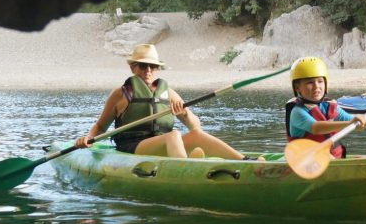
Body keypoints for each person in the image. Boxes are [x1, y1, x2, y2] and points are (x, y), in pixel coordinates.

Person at [75, 43, 254, 160]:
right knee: (174, 135)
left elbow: (194, 125)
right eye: (143, 66)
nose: (148, 70)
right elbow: (100, 127)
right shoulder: (120, 94)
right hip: (132, 146)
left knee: (196, 135)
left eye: (152, 66)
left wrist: (184, 113)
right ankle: (187, 168)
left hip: (164, 143)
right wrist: (89, 139)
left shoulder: (168, 93)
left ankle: (245, 161)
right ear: (132, 67)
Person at [285, 56, 366, 159]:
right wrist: (349, 124)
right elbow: (316, 128)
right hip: (307, 163)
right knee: (325, 156)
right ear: (297, 87)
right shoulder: (297, 112)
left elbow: (358, 126)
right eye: (310, 83)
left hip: (333, 160)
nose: (316, 87)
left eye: (320, 81)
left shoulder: (329, 106)